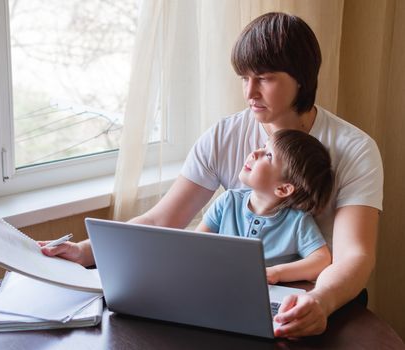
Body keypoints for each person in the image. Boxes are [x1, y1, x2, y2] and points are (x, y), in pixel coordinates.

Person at [41, 12, 383, 337]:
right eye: (244, 79)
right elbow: (163, 221)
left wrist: (320, 301)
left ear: (302, 80)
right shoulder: (225, 135)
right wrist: (87, 251)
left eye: (264, 78)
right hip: (230, 296)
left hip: (316, 296)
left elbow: (354, 255)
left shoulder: (354, 149)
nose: (249, 93)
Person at [195, 129, 333, 285]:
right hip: (219, 284)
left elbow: (322, 259)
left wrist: (277, 273)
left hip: (266, 294)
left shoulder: (297, 222)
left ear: (283, 189)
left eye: (268, 155)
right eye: (263, 146)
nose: (255, 153)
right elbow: (196, 245)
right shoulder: (228, 201)